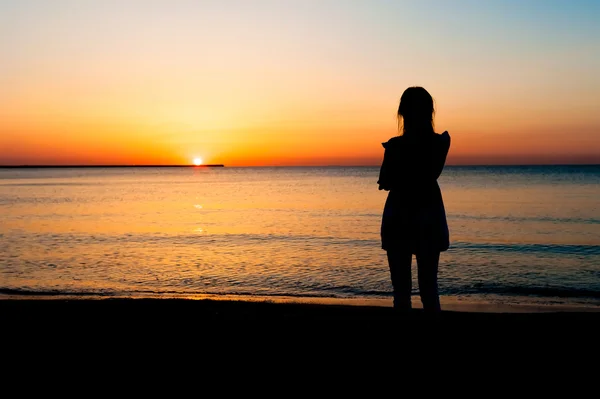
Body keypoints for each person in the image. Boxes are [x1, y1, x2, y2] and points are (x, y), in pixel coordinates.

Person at [377, 86, 451, 313]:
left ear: (402, 113)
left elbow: (386, 182)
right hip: (428, 215)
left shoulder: (395, 146)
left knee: (401, 291)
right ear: (430, 113)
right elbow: (431, 173)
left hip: (399, 216)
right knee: (429, 288)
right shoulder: (439, 143)